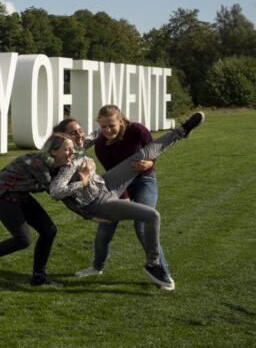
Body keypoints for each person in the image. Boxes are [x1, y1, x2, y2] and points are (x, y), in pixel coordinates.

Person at [49, 112, 205, 291]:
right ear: (63, 138)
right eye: (74, 133)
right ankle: (153, 264)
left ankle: (181, 131)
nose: (80, 134)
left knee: (140, 156)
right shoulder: (67, 163)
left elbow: (97, 133)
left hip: (105, 184)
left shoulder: (80, 145)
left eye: (80, 130)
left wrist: (115, 124)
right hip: (99, 202)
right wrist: (82, 183)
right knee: (152, 216)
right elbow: (56, 191)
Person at [66, 106, 168, 278]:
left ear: (121, 121)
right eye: (103, 127)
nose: (107, 130)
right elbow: (114, 174)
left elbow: (153, 149)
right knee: (105, 226)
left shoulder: (137, 130)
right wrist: (124, 197)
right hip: (118, 186)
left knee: (143, 223)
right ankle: (97, 267)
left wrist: (150, 164)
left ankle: (160, 271)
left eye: (112, 125)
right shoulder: (101, 145)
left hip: (144, 180)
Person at [0, 132, 75, 287]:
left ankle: (38, 276)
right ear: (53, 151)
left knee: (49, 230)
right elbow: (55, 192)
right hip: (1, 196)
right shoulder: (39, 163)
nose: (72, 153)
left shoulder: (55, 164)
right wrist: (83, 186)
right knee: (23, 240)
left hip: (20, 194)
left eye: (72, 149)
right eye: (67, 149)